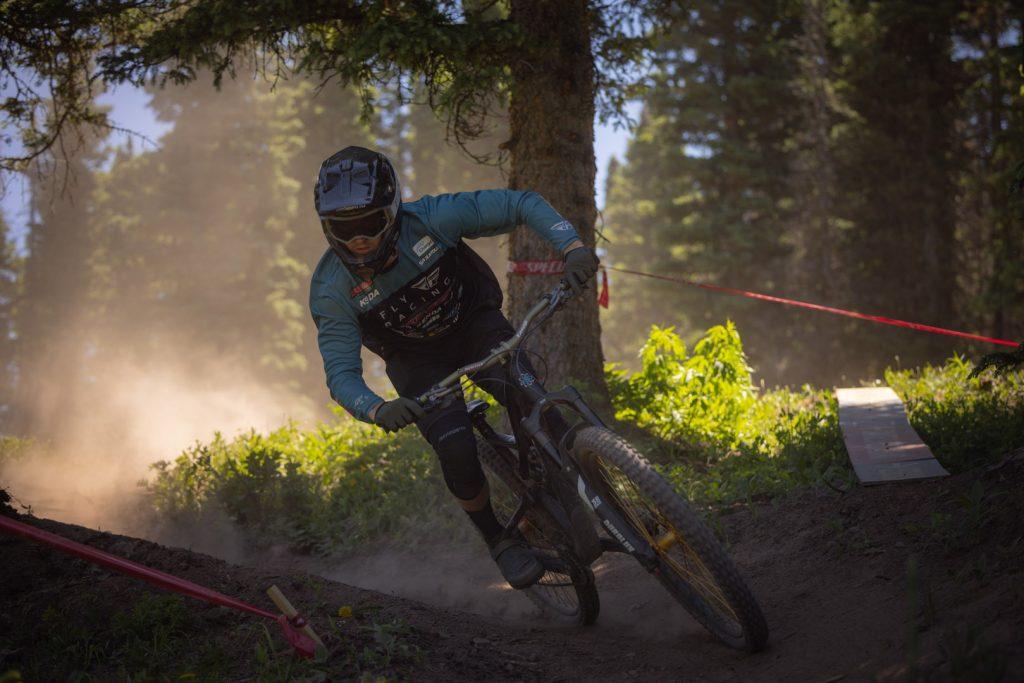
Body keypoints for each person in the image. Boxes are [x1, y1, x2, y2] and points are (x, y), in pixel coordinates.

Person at [308, 146, 600, 589]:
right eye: (343, 229)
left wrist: (572, 247)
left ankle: (600, 499)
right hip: (417, 363)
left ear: (392, 211)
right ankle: (498, 540)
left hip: (475, 326)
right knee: (456, 449)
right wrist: (377, 408)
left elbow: (521, 203)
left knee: (530, 397)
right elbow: (341, 374)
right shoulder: (331, 289)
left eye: (369, 223)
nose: (359, 240)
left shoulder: (431, 219)